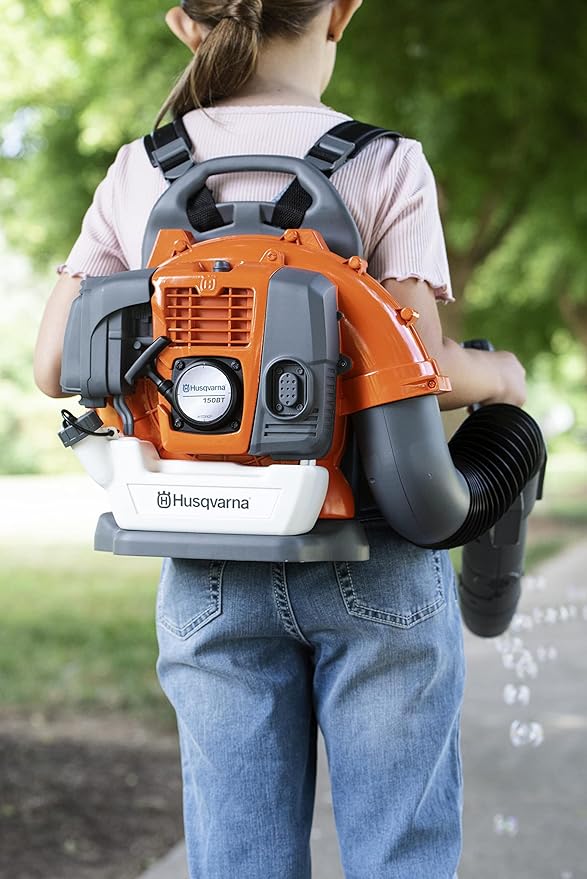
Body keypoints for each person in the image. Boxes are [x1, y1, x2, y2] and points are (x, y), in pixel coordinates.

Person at [34, 2, 527, 877]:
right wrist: (506, 380)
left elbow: (52, 364)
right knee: (401, 852)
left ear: (185, 24)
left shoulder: (140, 170)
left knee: (236, 856)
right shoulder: (383, 162)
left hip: (208, 559)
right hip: (376, 543)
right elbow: (427, 370)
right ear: (341, 12)